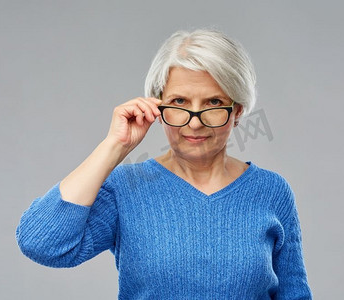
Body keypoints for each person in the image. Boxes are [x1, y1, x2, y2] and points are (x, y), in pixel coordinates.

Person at [16, 29, 312, 299]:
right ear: (157, 106)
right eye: (180, 101)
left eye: (212, 103)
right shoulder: (125, 188)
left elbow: (294, 294)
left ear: (236, 111)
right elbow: (41, 244)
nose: (194, 123)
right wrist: (113, 147)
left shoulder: (271, 191)